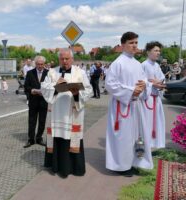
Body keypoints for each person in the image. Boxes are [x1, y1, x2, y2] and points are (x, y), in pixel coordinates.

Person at [105, 32, 153, 177]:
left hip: (135, 106)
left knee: (136, 135)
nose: (134, 46)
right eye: (131, 43)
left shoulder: (138, 64)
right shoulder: (117, 63)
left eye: (136, 43)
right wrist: (133, 90)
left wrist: (144, 86)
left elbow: (144, 81)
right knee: (123, 137)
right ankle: (121, 166)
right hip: (122, 106)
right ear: (123, 45)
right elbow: (110, 85)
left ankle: (134, 162)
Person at [41, 48, 93, 178]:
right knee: (57, 138)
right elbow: (44, 88)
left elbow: (89, 90)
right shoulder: (52, 72)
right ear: (59, 59)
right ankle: (56, 167)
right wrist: (55, 85)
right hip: (56, 114)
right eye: (62, 59)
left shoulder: (80, 73)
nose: (64, 62)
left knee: (72, 138)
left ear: (72, 59)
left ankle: (73, 168)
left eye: (67, 59)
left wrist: (77, 94)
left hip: (72, 114)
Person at [142, 41, 166, 149]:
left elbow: (162, 80)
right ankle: (145, 145)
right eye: (155, 50)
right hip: (147, 98)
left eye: (159, 51)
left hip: (156, 99)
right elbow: (140, 82)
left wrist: (160, 84)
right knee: (147, 123)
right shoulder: (143, 65)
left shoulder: (157, 65)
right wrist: (152, 84)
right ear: (148, 52)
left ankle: (155, 145)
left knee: (157, 122)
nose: (158, 53)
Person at [23, 56, 49, 148]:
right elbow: (26, 86)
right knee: (32, 121)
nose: (40, 66)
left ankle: (39, 138)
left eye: (42, 64)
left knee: (42, 121)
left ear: (44, 64)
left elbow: (52, 87)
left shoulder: (49, 73)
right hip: (33, 101)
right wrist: (32, 90)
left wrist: (46, 92)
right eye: (38, 64)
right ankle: (31, 139)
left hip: (44, 101)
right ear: (35, 64)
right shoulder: (30, 73)